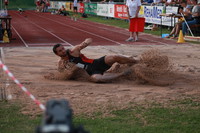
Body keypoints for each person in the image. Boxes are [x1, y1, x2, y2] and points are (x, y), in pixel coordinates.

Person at [52, 38, 139, 83]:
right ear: (57, 54)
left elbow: (88, 40)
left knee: (114, 56)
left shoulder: (73, 51)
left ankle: (136, 61)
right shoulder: (61, 64)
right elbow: (62, 75)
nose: (63, 51)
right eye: (60, 51)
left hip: (96, 63)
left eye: (63, 48)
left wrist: (86, 42)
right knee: (96, 79)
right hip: (92, 72)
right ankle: (122, 74)